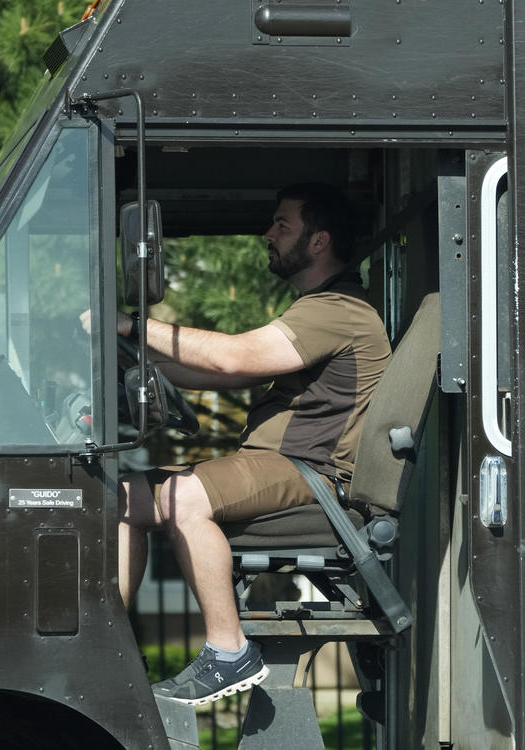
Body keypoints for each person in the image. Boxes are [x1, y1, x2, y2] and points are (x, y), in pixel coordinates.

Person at [117, 183, 391, 705]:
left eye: (282, 225)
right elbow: (222, 375)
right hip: (279, 466)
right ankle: (107, 650)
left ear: (319, 241)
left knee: (181, 496)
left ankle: (228, 652)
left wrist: (131, 324)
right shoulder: (319, 309)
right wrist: (132, 359)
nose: (267, 234)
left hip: (312, 475)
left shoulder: (338, 309)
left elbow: (234, 359)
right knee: (125, 498)